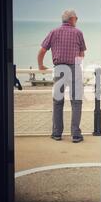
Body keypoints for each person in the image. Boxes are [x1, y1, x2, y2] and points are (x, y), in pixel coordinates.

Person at [37, 9, 86, 143]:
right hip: (74, 68)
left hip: (59, 68)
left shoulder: (54, 32)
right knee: (76, 101)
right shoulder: (78, 33)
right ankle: (76, 135)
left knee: (58, 102)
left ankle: (57, 133)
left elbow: (42, 51)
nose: (77, 20)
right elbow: (82, 54)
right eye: (76, 18)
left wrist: (40, 65)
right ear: (71, 19)